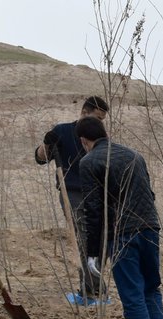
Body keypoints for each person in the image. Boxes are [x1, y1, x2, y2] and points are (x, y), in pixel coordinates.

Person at [76, 116, 163, 319]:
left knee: (132, 293)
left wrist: (94, 253)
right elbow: (149, 194)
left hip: (124, 233)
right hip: (150, 227)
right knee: (151, 287)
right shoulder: (134, 155)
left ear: (84, 141)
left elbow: (93, 211)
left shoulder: (89, 162)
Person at [36, 95, 110, 304]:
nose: (99, 123)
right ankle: (92, 292)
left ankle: (93, 288)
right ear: (84, 112)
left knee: (100, 238)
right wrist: (47, 143)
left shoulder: (99, 135)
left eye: (102, 120)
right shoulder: (62, 131)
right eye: (97, 117)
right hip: (72, 192)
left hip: (97, 192)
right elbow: (40, 158)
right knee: (84, 238)